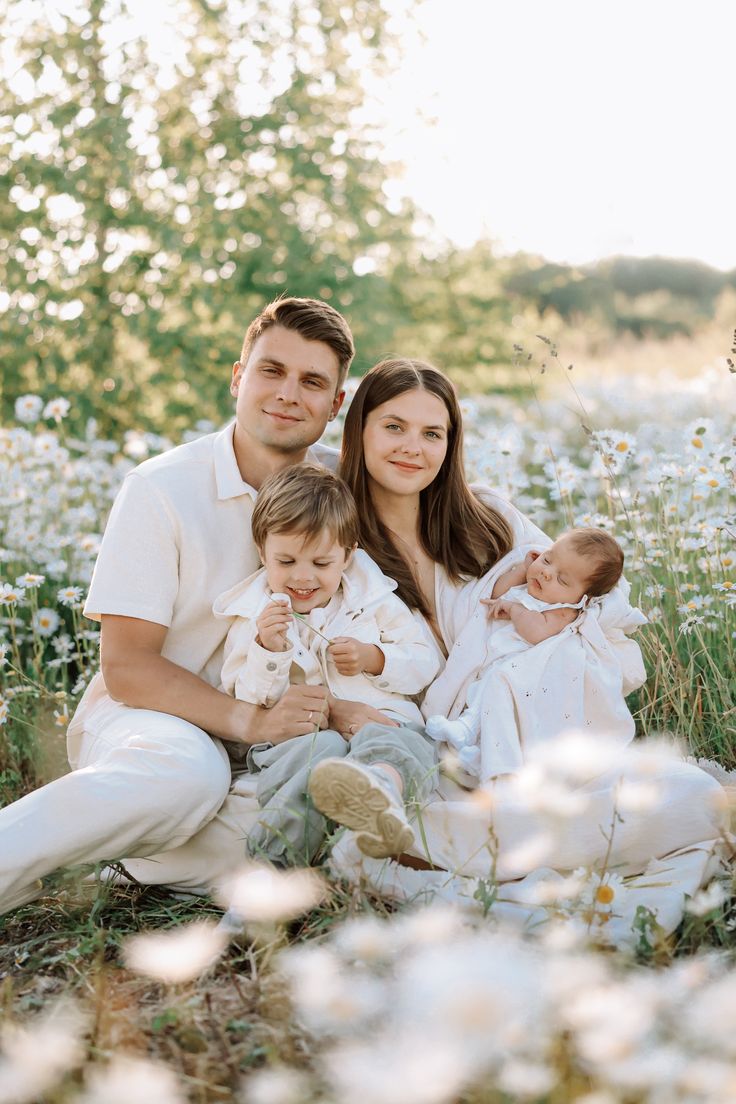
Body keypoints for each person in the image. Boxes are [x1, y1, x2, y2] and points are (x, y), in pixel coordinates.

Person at [325, 357, 726, 945]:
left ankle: (452, 857)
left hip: (537, 749)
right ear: (358, 430)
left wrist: (561, 632)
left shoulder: (489, 520)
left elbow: (599, 598)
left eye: (432, 433)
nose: (413, 447)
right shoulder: (335, 539)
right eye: (393, 426)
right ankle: (445, 845)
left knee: (692, 793)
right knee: (405, 809)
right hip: (433, 754)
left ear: (451, 442)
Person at [0, 296, 364, 916]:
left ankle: (136, 847)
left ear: (335, 404)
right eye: (271, 371)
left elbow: (452, 500)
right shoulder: (162, 488)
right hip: (157, 724)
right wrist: (248, 722)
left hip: (274, 751)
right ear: (238, 378)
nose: (287, 394)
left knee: (300, 829)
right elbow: (129, 669)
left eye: (312, 382)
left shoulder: (343, 488)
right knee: (189, 776)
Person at [213, 462, 439, 864]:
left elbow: (425, 663)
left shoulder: (374, 602)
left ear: (348, 556)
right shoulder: (254, 617)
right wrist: (270, 649)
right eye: (286, 562)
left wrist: (375, 658)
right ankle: (271, 870)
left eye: (321, 564)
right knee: (322, 750)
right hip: (298, 741)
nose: (303, 578)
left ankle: (379, 793)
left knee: (401, 743)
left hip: (379, 721)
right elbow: (243, 696)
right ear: (262, 551)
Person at [425, 528, 630, 779]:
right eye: (547, 559)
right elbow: (497, 591)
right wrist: (523, 569)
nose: (546, 572)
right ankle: (474, 745)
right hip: (495, 661)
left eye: (562, 580)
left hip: (521, 671)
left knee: (497, 690)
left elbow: (536, 631)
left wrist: (514, 610)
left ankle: (472, 734)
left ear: (583, 598)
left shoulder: (564, 610)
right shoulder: (531, 584)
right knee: (482, 691)